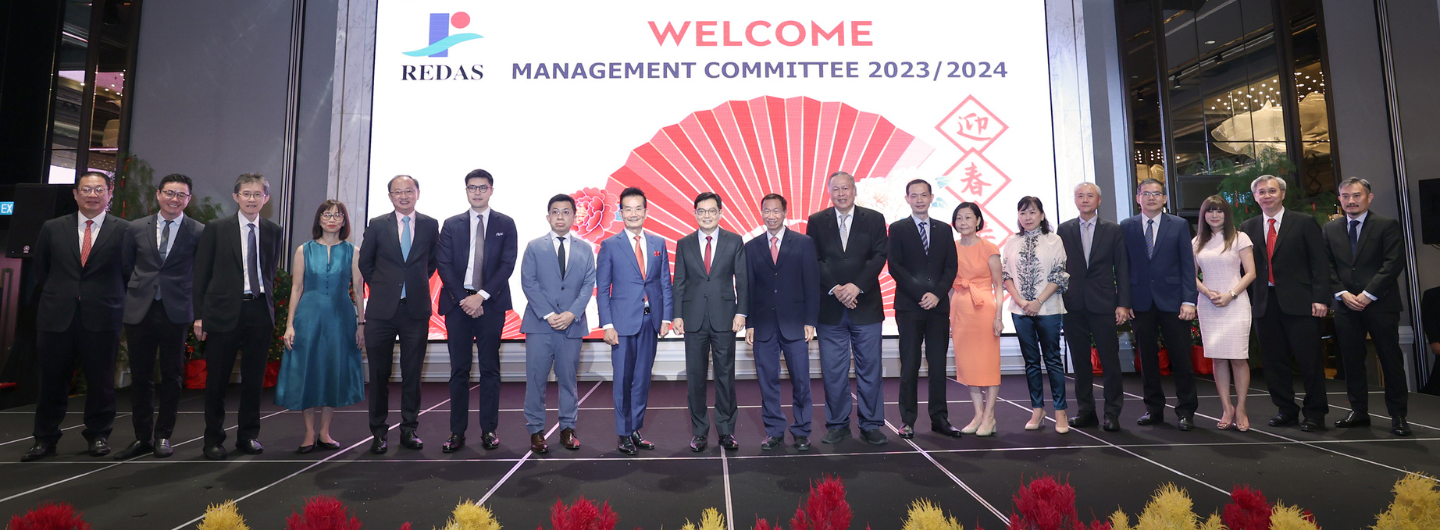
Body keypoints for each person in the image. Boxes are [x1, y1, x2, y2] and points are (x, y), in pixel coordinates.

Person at [23, 172, 130, 462]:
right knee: (51, 381)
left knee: (101, 381)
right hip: (57, 316)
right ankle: (44, 439)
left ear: (109, 194)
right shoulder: (53, 227)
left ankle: (98, 435)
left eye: (98, 189)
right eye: (86, 189)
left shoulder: (124, 230)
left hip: (102, 315)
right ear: (75, 194)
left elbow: (128, 272)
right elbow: (43, 271)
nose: (92, 195)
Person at [193, 173, 284, 460]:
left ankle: (247, 436)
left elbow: (269, 272)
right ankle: (213, 439)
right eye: (246, 193)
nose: (251, 199)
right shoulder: (217, 228)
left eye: (258, 194)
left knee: (254, 380)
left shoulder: (273, 230)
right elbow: (201, 275)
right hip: (222, 314)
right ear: (236, 196)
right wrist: (199, 316)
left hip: (259, 311)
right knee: (217, 380)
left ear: (266, 199)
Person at [114, 173, 204, 460]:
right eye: (169, 193)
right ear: (158, 194)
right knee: (140, 376)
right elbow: (126, 267)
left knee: (173, 375)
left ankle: (163, 435)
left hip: (176, 310)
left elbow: (201, 273)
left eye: (181, 195)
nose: (174, 199)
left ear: (189, 199)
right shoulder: (135, 228)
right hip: (140, 308)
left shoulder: (199, 231)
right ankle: (142, 437)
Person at [1240, 175, 1332, 432]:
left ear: (1282, 194)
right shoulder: (1247, 226)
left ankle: (1315, 413)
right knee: (1273, 361)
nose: (1266, 195)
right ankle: (1286, 410)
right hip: (1263, 303)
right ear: (1255, 197)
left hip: (1302, 303)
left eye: (1272, 191)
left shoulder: (1303, 222)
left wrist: (1321, 298)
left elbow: (1319, 264)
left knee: (1309, 361)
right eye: (1261, 192)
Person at [806, 171, 890, 446]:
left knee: (870, 369)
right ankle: (838, 424)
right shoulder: (817, 221)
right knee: (833, 370)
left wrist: (856, 286)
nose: (841, 193)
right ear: (829, 192)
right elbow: (814, 258)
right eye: (836, 189)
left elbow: (879, 256)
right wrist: (837, 288)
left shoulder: (874, 219)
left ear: (855, 190)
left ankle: (870, 424)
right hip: (830, 307)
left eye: (846, 188)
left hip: (865, 305)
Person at [437, 169, 518, 453]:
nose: (477, 193)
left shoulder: (505, 223)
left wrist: (481, 296)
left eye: (482, 188)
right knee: (459, 370)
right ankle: (457, 432)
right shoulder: (451, 224)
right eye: (472, 188)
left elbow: (507, 265)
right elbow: (443, 265)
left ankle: (489, 430)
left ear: (491, 190)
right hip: (458, 305)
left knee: (489, 370)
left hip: (491, 304)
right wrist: (464, 299)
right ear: (466, 191)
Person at [276, 200, 367, 453]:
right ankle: (308, 432)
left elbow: (358, 290)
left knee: (331, 372)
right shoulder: (303, 250)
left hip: (341, 317)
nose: (332, 219)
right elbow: (296, 288)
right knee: (308, 371)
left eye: (337, 215)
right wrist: (290, 325)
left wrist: (361, 323)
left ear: (344, 221)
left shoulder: (353, 251)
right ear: (319, 219)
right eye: (327, 214)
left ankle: (325, 432)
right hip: (308, 317)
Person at [358, 175, 439, 453]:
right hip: (381, 311)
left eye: (408, 191)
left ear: (417, 193)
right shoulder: (378, 224)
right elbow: (365, 264)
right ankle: (379, 433)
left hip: (415, 310)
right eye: (397, 192)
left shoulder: (430, 224)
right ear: (390, 196)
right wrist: (386, 287)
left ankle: (409, 430)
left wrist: (412, 284)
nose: (403, 196)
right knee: (379, 374)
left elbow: (431, 262)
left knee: (412, 374)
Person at [1325, 177, 1409, 436]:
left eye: (1357, 195)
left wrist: (1367, 294)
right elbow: (1325, 265)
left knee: (1390, 359)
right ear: (1339, 199)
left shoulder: (1386, 225)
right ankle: (1359, 411)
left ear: (1369, 197)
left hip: (1380, 304)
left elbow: (1393, 263)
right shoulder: (1330, 229)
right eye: (1345, 195)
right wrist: (1341, 292)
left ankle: (1398, 416)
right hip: (1345, 305)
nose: (1351, 200)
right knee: (1351, 361)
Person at [597, 187, 673, 455]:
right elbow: (602, 287)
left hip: (650, 323)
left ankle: (636, 428)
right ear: (620, 212)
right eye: (627, 209)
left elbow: (665, 283)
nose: (632, 213)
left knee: (642, 380)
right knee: (623, 380)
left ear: (646, 211)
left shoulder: (658, 243)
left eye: (637, 208)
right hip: (621, 325)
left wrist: (666, 317)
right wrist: (607, 325)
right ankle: (623, 433)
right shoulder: (609, 245)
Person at [1121, 178, 1200, 431]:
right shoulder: (1126, 226)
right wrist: (1125, 301)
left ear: (1164, 198)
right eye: (1146, 193)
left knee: (1181, 358)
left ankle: (1186, 411)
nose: (1151, 197)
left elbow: (1188, 266)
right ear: (1138, 198)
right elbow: (1123, 268)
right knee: (1147, 359)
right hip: (1141, 303)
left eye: (1156, 193)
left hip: (1174, 302)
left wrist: (1189, 300)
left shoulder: (1178, 225)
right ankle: (1153, 409)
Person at [673, 192, 749, 452]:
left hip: (725, 319)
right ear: (695, 213)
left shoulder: (735, 241)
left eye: (711, 211)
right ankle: (700, 432)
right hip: (693, 319)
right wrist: (677, 314)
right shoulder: (684, 244)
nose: (707, 215)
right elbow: (679, 282)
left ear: (720, 212)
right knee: (695, 378)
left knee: (725, 376)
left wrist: (742, 312)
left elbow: (743, 280)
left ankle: (727, 431)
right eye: (702, 211)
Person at [520, 194, 595, 453]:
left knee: (568, 380)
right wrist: (548, 315)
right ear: (548, 216)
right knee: (536, 380)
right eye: (555, 212)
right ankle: (536, 431)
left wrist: (572, 313)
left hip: (571, 326)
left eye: (566, 212)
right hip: (540, 325)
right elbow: (528, 283)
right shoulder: (534, 246)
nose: (560, 216)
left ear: (575, 217)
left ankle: (567, 429)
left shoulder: (586, 249)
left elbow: (588, 285)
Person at [745, 194, 819, 451]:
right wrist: (750, 323)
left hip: (795, 323)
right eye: (767, 211)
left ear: (785, 213)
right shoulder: (751, 247)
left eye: (776, 211)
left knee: (800, 380)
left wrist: (811, 320)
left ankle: (801, 430)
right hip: (763, 325)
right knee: (768, 380)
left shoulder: (803, 242)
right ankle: (774, 430)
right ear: (761, 213)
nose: (771, 215)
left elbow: (811, 283)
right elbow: (749, 289)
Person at [888, 179, 960, 439]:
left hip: (938, 308)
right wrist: (922, 294)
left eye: (924, 195)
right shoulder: (897, 229)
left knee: (938, 365)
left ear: (931, 198)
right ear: (907, 198)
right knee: (910, 365)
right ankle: (907, 420)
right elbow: (895, 267)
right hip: (910, 307)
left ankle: (940, 419)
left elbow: (951, 266)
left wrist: (937, 295)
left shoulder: (943, 229)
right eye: (914, 195)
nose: (919, 200)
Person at [1057, 183, 1130, 433]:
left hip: (1104, 303)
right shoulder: (1064, 229)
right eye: (1080, 196)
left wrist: (1123, 303)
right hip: (1073, 303)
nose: (1085, 200)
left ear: (1099, 200)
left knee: (1110, 361)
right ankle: (1086, 411)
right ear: (1075, 200)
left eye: (1090, 196)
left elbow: (1122, 268)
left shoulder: (1113, 230)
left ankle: (1112, 413)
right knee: (1080, 362)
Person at [1001, 196, 1070, 433]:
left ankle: (1060, 412)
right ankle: (1037, 409)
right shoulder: (1011, 241)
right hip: (1020, 311)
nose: (1027, 217)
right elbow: (1005, 275)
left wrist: (1038, 302)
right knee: (1031, 362)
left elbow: (1060, 274)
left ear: (1041, 215)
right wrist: (1021, 302)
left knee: (1052, 359)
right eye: (1023, 213)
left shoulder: (1054, 240)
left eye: (1032, 212)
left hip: (1049, 309)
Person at [1192, 196, 1257, 432]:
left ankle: (1241, 407)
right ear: (1204, 215)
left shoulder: (1240, 237)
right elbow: (1190, 276)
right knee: (1218, 357)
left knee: (1239, 357)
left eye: (1219, 211)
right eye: (1210, 211)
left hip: (1236, 302)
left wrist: (1231, 294)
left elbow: (1250, 273)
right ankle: (1226, 407)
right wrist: (1207, 292)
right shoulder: (1197, 241)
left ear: (1226, 214)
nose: (1215, 215)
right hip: (1208, 304)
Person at [949, 202, 1003, 437]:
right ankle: (978, 414)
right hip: (960, 308)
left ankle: (990, 416)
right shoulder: (951, 248)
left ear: (978, 221)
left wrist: (999, 316)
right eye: (959, 218)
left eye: (968, 218)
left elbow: (999, 287)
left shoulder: (989, 248)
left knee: (988, 363)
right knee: (968, 364)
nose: (963, 222)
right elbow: (950, 285)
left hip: (984, 309)